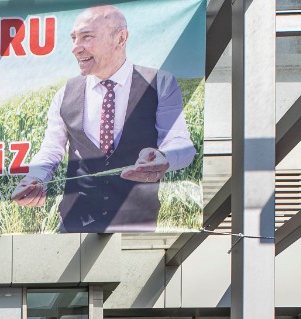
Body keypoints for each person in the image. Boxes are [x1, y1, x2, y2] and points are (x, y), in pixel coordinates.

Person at [10, 4, 196, 233]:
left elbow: (181, 143)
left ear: (120, 38)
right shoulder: (64, 94)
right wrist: (35, 177)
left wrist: (165, 158)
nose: (76, 48)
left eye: (87, 37)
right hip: (76, 222)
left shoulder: (160, 84)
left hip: (136, 224)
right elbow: (51, 149)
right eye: (73, 38)